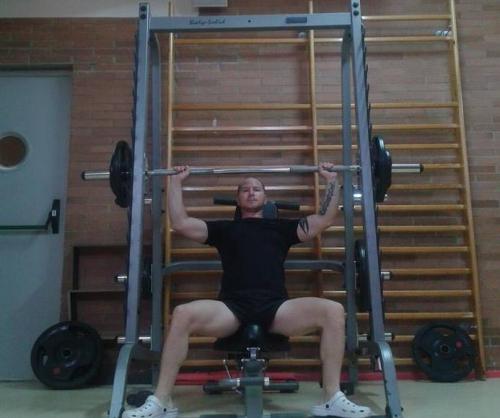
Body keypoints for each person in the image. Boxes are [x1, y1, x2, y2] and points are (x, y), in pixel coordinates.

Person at [123, 163, 372, 418]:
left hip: (276, 308)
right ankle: (162, 400)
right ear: (237, 198)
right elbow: (180, 223)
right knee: (182, 313)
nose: (251, 192)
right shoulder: (224, 229)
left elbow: (324, 219)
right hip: (232, 309)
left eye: (257, 189)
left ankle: (331, 397)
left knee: (333, 310)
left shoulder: (282, 228)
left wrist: (331, 180)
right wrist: (175, 182)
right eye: (245, 189)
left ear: (265, 197)